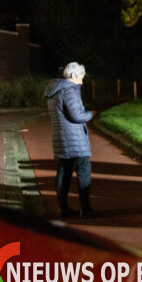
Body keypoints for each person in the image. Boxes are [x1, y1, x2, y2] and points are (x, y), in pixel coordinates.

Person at [44, 62, 95, 219]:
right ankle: (85, 209)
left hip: (61, 138)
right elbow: (77, 116)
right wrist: (91, 114)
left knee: (64, 172)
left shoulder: (54, 90)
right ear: (73, 75)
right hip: (74, 140)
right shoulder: (69, 90)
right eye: (81, 77)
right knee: (84, 170)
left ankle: (64, 208)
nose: (81, 81)